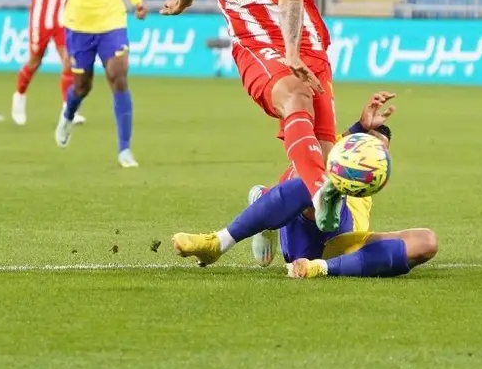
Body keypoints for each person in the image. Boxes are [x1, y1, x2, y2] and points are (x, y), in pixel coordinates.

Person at [161, 0, 345, 248]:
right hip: (255, 46)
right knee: (295, 97)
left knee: (318, 160)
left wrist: (293, 51)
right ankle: (320, 191)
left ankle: (266, 203)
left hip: (306, 44)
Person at [174, 92, 439, 277]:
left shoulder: (370, 184)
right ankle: (219, 242)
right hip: (308, 224)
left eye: (380, 155)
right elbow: (316, 160)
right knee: (315, 178)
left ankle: (319, 268)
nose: (370, 160)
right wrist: (359, 127)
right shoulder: (334, 153)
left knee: (427, 241)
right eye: (366, 148)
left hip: (343, 243)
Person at [32, 0, 147, 166]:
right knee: (82, 86)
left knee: (119, 75)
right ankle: (68, 116)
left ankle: (124, 149)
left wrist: (137, 2)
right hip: (80, 27)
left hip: (112, 23)